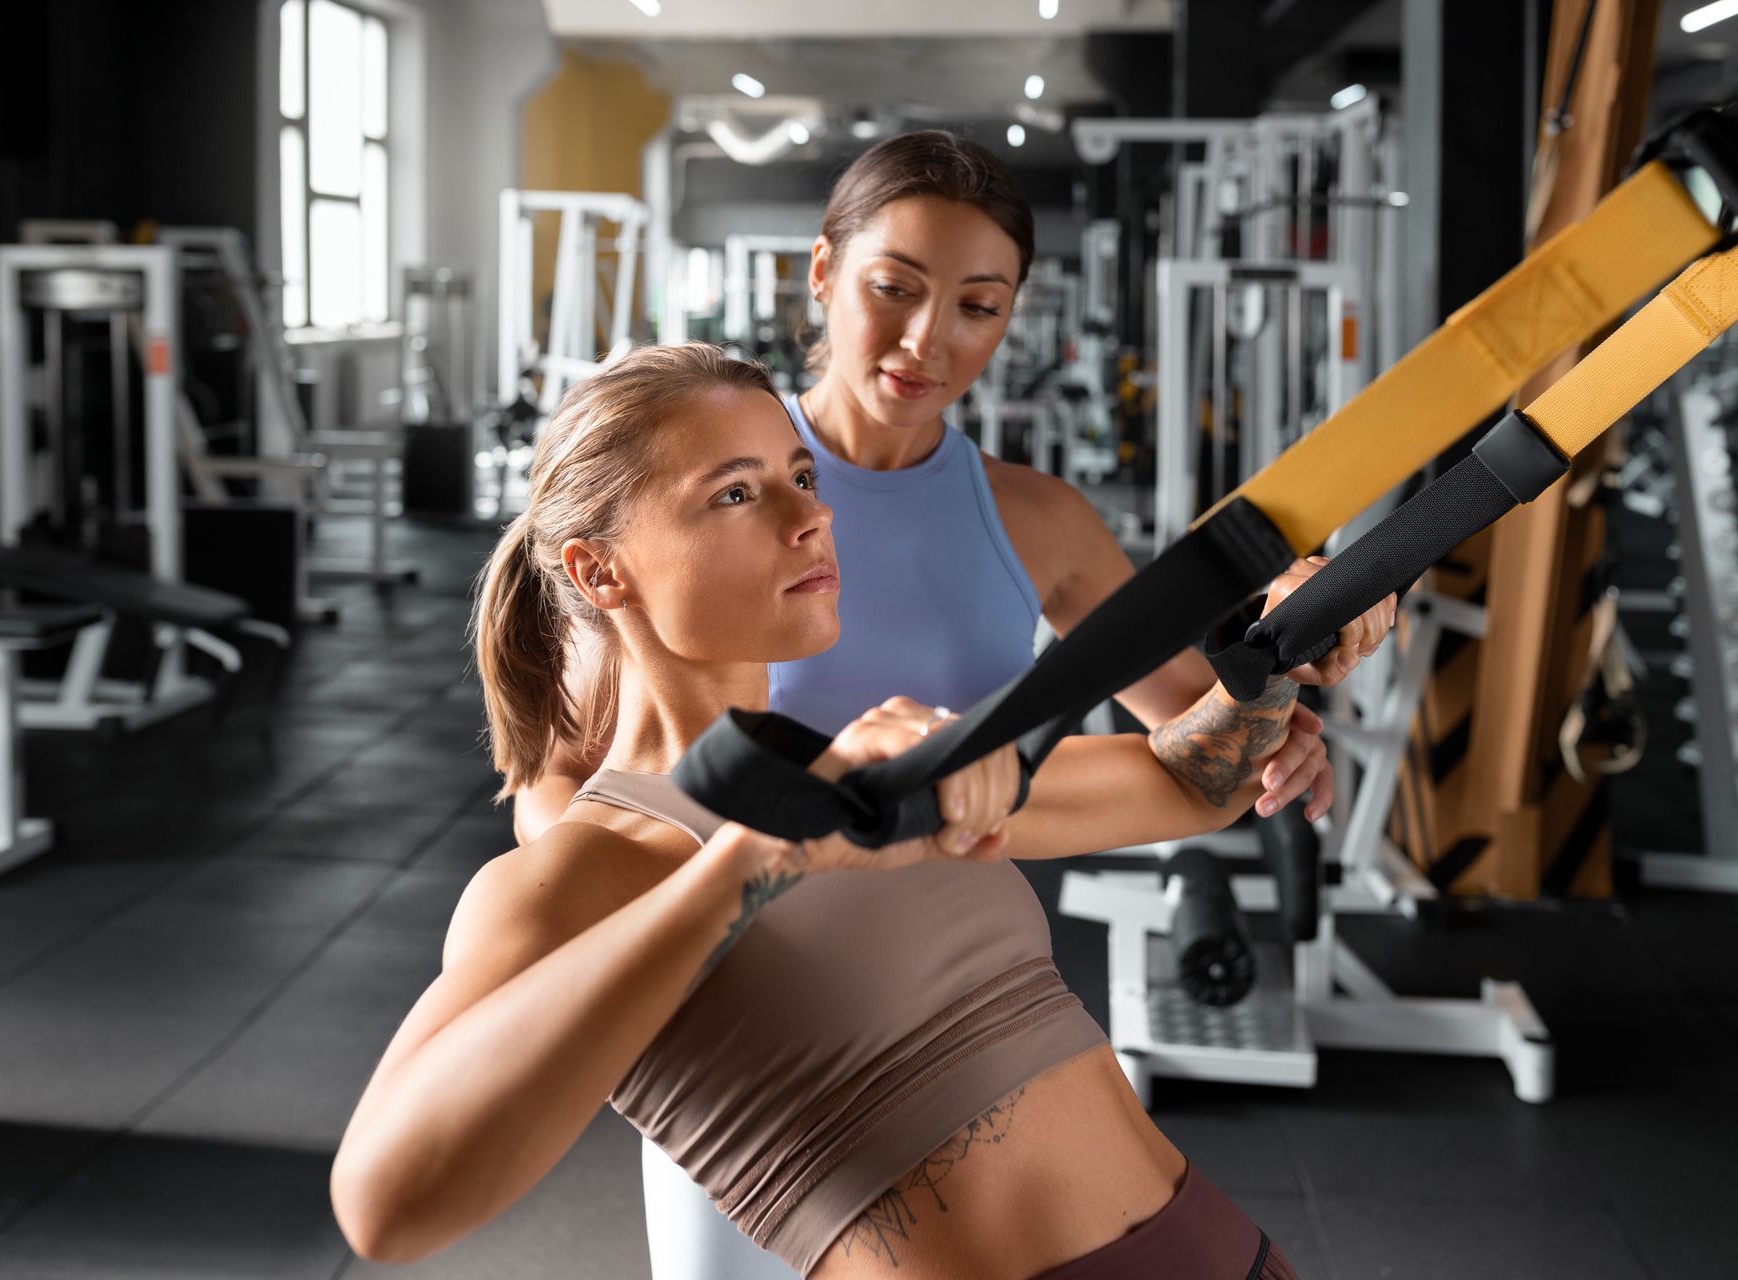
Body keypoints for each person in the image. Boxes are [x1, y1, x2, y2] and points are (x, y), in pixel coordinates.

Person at [509, 131, 1395, 1279]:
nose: (931, 340)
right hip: (743, 1039)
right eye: (895, 289)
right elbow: (558, 789)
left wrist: (1296, 661)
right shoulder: (684, 508)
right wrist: (696, 905)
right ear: (824, 274)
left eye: (979, 305)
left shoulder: (1039, 523)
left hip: (948, 1008)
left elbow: (1198, 725)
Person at [330, 344, 1387, 1278]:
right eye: (737, 494)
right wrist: (752, 861)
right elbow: (385, 1205)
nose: (810, 514)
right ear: (598, 568)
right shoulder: (583, 868)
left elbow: (1190, 783)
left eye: (799, 474)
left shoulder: (872, 764)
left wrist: (1279, 652)